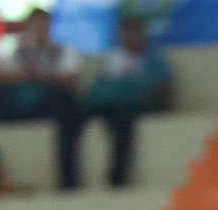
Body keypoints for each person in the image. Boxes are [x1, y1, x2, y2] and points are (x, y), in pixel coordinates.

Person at [68, 15, 171, 191]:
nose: (130, 37)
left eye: (134, 32)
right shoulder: (112, 58)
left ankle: (117, 179)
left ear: (142, 34)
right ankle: (69, 179)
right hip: (108, 104)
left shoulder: (153, 58)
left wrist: (135, 88)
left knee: (123, 121)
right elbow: (98, 87)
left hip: (132, 106)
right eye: (126, 33)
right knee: (70, 115)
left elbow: (161, 85)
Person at [0, 9, 87, 190]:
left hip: (52, 105)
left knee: (65, 99)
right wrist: (27, 76)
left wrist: (39, 77)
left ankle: (68, 177)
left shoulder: (64, 51)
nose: (39, 28)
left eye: (43, 23)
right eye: (35, 24)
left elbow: (71, 80)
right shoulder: (19, 52)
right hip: (22, 105)